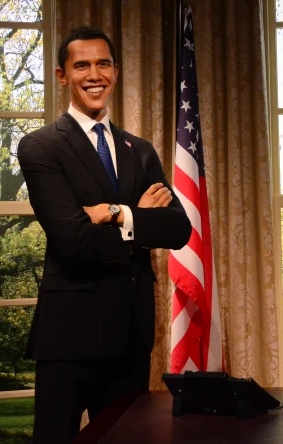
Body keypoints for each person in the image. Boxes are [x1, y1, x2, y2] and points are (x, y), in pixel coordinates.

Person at [18, 26, 192, 442]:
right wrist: (140, 221)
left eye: (103, 64)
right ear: (62, 75)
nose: (94, 74)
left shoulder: (140, 149)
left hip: (130, 335)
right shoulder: (41, 147)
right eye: (82, 65)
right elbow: (74, 243)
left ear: (115, 71)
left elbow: (178, 228)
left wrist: (112, 213)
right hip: (70, 336)